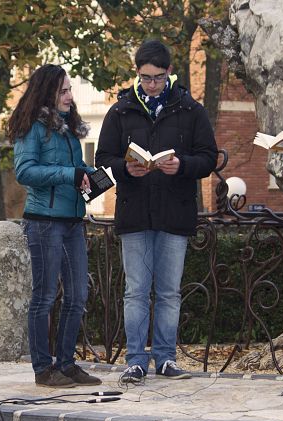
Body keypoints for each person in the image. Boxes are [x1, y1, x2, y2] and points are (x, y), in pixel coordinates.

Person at [95, 40, 218, 383]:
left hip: (174, 213)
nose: (152, 85)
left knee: (168, 291)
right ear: (137, 73)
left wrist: (181, 165)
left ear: (169, 73)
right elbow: (102, 158)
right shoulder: (120, 111)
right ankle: (135, 359)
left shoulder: (190, 110)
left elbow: (209, 156)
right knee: (136, 290)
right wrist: (125, 168)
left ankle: (165, 357)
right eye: (146, 78)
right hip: (134, 212)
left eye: (158, 78)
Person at [8, 64, 101, 388]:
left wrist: (93, 175)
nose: (70, 96)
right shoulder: (31, 126)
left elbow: (71, 168)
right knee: (45, 296)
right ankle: (42, 369)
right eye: (64, 90)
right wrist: (69, 175)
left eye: (70, 89)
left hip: (73, 220)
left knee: (78, 295)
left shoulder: (67, 128)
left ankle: (66, 363)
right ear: (47, 92)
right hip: (44, 223)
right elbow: (25, 172)